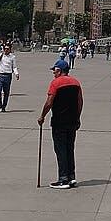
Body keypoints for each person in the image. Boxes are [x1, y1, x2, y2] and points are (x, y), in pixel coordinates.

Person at [38, 60, 83, 188]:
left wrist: (42, 116)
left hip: (59, 121)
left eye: (55, 70)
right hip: (72, 121)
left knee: (60, 149)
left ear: (60, 71)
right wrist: (78, 118)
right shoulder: (76, 82)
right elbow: (80, 102)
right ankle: (71, 176)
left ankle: (63, 179)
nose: (53, 73)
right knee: (70, 148)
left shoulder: (55, 83)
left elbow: (49, 102)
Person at [0, 41, 20, 113]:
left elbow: (14, 67)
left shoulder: (12, 57)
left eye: (7, 49)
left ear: (10, 49)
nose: (6, 50)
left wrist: (16, 74)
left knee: (6, 92)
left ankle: (4, 106)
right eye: (5, 49)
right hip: (0, 75)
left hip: (8, 76)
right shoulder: (1, 55)